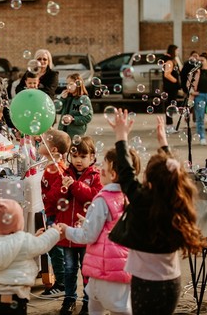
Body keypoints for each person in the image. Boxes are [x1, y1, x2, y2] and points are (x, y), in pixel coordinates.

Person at [106, 109, 207, 315]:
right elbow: (171, 176)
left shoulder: (143, 202)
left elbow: (125, 173)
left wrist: (121, 135)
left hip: (145, 285)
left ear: (149, 182)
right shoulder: (178, 203)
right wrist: (164, 145)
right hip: (172, 283)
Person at [58, 147, 141, 315]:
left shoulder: (102, 200)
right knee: (119, 308)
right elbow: (112, 226)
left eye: (104, 165)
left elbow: (88, 235)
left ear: (113, 175)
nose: (99, 169)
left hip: (104, 270)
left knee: (103, 309)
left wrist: (66, 231)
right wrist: (88, 221)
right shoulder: (126, 196)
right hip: (123, 266)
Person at [0, 198, 62, 315]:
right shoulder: (23, 240)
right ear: (17, 222)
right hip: (15, 296)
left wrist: (33, 238)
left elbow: (14, 247)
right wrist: (55, 232)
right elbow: (42, 245)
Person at [57, 136, 102, 315]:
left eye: (83, 156)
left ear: (92, 157)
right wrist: (62, 186)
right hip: (69, 233)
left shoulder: (95, 176)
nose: (78, 160)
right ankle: (69, 299)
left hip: (85, 232)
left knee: (87, 269)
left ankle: (88, 301)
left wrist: (75, 186)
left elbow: (94, 196)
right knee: (68, 269)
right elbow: (54, 198)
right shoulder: (64, 174)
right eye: (75, 155)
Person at [38, 129, 71, 298]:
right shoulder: (51, 166)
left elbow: (57, 194)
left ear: (55, 150)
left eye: (43, 143)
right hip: (51, 212)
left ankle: (62, 283)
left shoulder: (57, 169)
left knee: (55, 249)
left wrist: (47, 197)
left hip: (55, 215)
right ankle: (61, 281)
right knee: (54, 248)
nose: (40, 143)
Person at [58, 73, 93, 138]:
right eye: (67, 84)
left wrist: (73, 119)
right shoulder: (66, 98)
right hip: (63, 133)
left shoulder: (83, 99)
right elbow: (57, 110)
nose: (68, 86)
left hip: (76, 135)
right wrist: (62, 99)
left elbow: (88, 117)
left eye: (71, 84)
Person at [162, 44, 182, 133]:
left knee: (171, 106)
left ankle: (170, 125)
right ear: (173, 51)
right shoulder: (169, 61)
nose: (178, 52)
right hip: (170, 88)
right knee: (170, 106)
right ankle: (169, 126)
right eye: (177, 51)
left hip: (172, 88)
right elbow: (166, 74)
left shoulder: (173, 60)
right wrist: (175, 81)